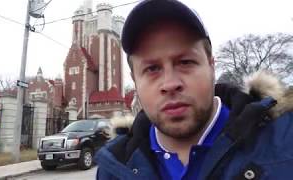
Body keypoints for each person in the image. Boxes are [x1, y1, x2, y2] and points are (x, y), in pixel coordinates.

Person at [94, 0, 293, 179]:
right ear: (135, 81)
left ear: (211, 66)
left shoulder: (284, 141)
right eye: (152, 68)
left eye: (185, 62)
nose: (170, 83)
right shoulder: (113, 168)